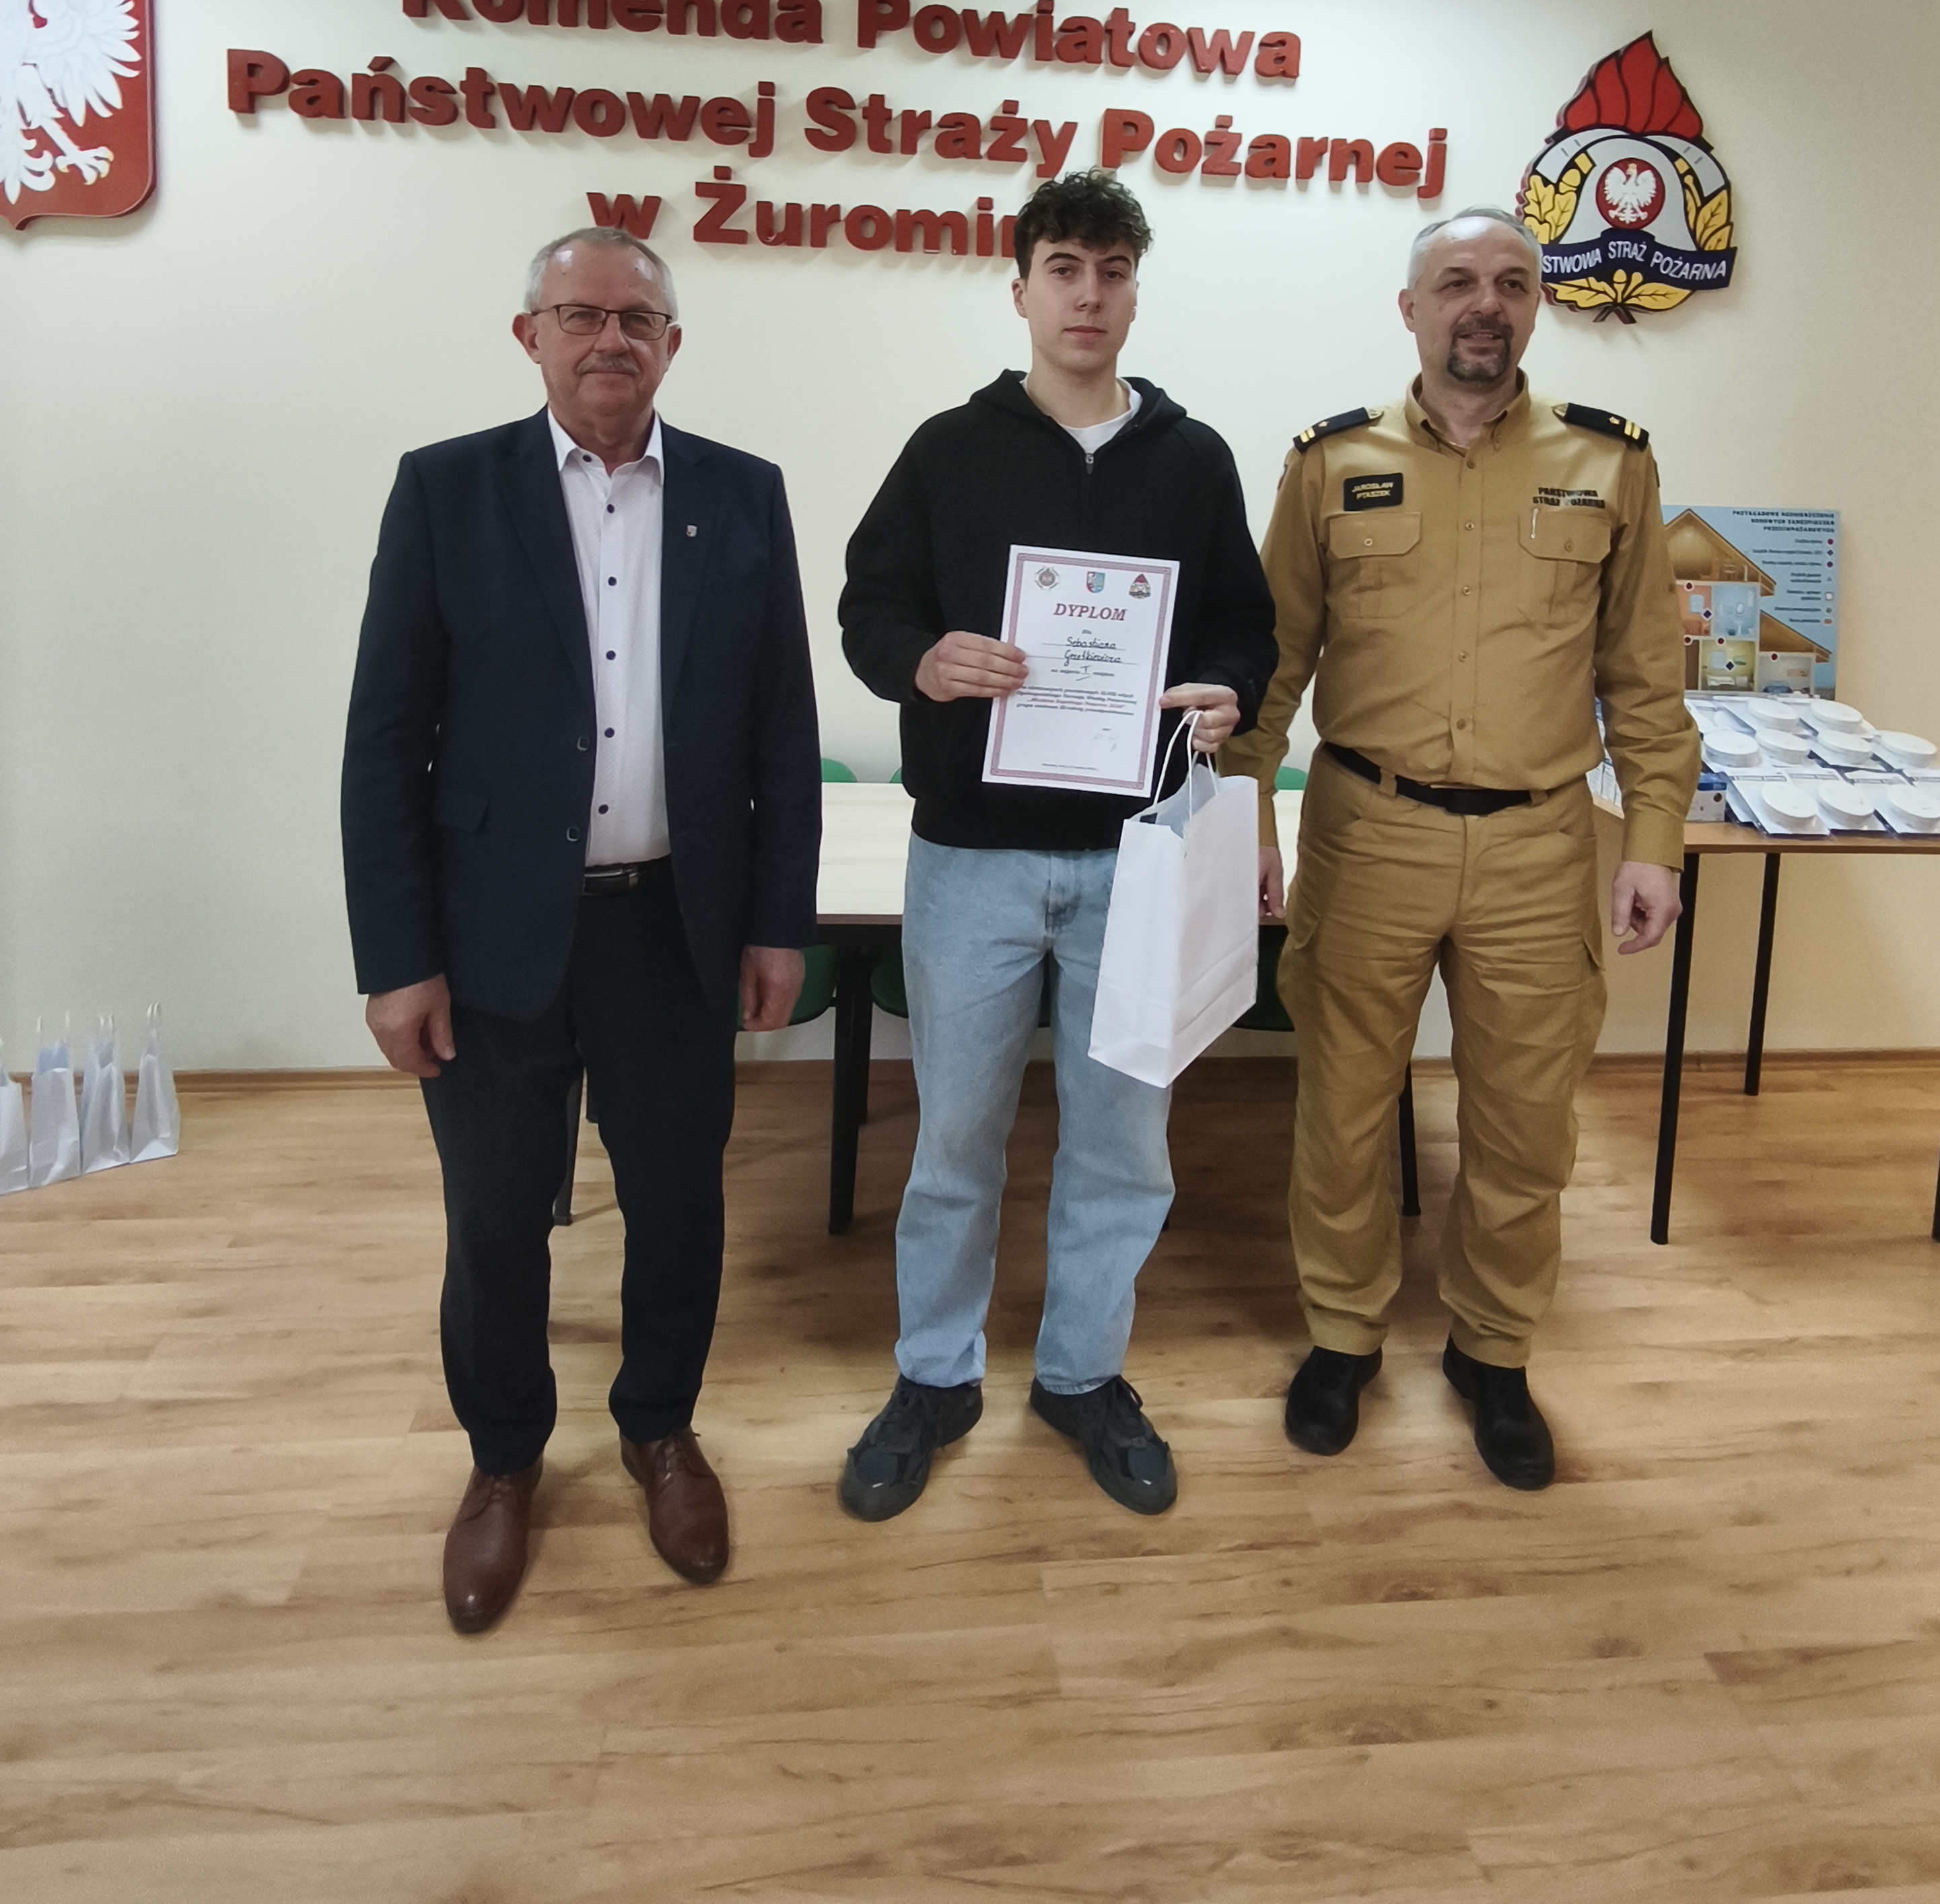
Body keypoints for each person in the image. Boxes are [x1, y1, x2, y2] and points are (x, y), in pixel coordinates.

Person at [341, 226, 821, 1631]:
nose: (610, 338)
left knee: (678, 1201)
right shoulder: (448, 490)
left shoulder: (742, 493)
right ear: (531, 335)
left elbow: (782, 731)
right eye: (580, 314)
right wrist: (397, 958)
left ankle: (661, 1429)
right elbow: (386, 741)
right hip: (492, 932)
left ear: (671, 343)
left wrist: (776, 922)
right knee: (496, 1213)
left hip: (674, 925)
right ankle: (503, 1460)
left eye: (637, 318)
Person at [1221, 207, 1697, 1489]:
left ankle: (1493, 1352)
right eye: (1456, 282)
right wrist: (1241, 819)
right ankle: (1342, 1336)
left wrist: (1654, 839)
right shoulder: (1331, 462)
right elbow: (1272, 667)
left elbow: (1646, 677)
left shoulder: (1610, 463)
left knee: (1525, 1125)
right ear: (1411, 308)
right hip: (1365, 832)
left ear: (1536, 304)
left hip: (1541, 845)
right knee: (1343, 1110)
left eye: (1511, 282)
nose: (1484, 303)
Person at [833, 170, 1276, 1522]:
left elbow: (1244, 626)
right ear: (1019, 287)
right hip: (970, 857)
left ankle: (1083, 1374)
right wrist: (923, 660)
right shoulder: (947, 450)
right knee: (954, 1142)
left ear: (1136, 292)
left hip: (1138, 859)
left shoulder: (1193, 460)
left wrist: (1227, 689)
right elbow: (868, 608)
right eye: (1065, 269)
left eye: (1113, 271)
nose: (1089, 295)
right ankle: (935, 1374)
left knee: (1122, 1145)